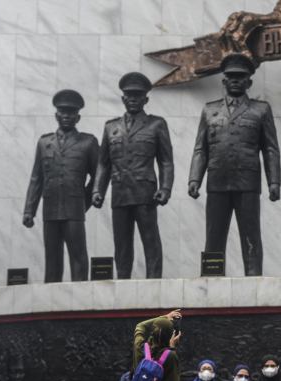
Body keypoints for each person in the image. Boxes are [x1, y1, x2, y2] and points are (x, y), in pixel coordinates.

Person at [188, 52, 281, 276]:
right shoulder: (210, 110)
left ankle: (253, 280)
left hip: (247, 181)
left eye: (241, 77)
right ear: (224, 81)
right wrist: (194, 179)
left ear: (249, 82)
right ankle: (211, 279)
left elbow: (270, 149)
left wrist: (274, 182)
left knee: (251, 236)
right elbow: (201, 148)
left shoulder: (261, 110)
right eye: (231, 77)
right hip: (217, 180)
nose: (236, 80)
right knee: (214, 235)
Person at [92, 72, 174, 279]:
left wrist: (165, 189)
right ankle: (123, 282)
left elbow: (165, 161)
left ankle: (154, 281)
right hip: (119, 192)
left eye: (138, 95)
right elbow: (103, 163)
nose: (134, 99)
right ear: (123, 99)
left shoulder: (157, 124)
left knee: (150, 240)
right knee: (121, 243)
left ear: (146, 99)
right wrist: (97, 190)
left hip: (145, 193)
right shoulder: (111, 127)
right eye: (129, 95)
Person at [23, 89, 98, 283]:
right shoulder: (44, 142)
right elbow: (36, 179)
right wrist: (29, 211)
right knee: (52, 258)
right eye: (63, 112)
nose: (67, 116)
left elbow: (98, 176)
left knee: (78, 256)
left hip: (74, 210)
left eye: (71, 112)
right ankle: (51, 302)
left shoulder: (88, 142)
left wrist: (84, 202)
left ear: (78, 117)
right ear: (56, 115)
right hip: (50, 209)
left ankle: (80, 299)